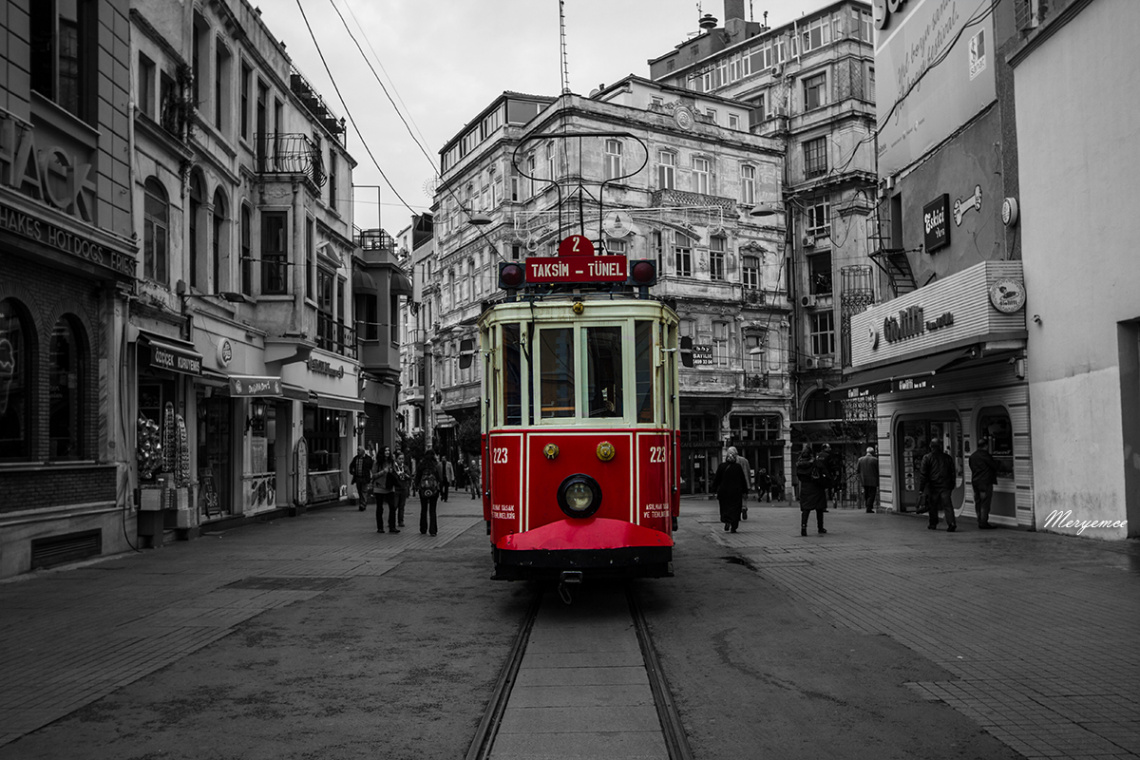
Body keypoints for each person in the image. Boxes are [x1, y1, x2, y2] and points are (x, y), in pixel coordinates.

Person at [918, 438, 957, 532]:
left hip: (933, 485)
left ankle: (933, 523)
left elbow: (923, 474)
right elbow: (952, 472)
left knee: (933, 505)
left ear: (931, 447)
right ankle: (951, 523)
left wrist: (921, 488)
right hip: (946, 485)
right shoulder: (947, 457)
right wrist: (952, 484)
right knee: (948, 505)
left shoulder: (927, 458)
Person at [796, 445, 832, 536]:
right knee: (819, 508)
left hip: (805, 488)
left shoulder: (799, 464)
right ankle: (820, 527)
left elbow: (799, 476)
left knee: (806, 509)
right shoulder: (815, 463)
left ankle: (803, 528)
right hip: (816, 487)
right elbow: (824, 472)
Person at [711, 447, 748, 533]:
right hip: (736, 492)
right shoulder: (738, 467)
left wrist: (714, 489)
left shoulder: (721, 466)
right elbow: (743, 480)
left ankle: (727, 521)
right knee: (735, 509)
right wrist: (745, 491)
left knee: (725, 508)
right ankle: (734, 526)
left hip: (724, 492)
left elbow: (717, 479)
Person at [969, 439, 1000, 529]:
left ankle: (979, 519)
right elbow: (994, 466)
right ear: (986, 446)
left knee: (978, 501)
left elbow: (971, 467)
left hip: (975, 481)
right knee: (985, 502)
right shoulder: (986, 456)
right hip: (985, 482)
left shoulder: (972, 456)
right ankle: (983, 522)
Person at [416, 448, 444, 535]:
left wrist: (417, 487)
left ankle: (423, 528)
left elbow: (417, 477)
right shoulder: (436, 465)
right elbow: (440, 478)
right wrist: (441, 489)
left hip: (423, 489)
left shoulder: (421, 465)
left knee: (423, 509)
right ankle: (433, 530)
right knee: (433, 510)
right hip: (434, 490)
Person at [371, 446, 399, 534]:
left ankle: (392, 526)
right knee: (380, 508)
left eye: (388, 450)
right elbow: (374, 475)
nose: (387, 452)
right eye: (385, 450)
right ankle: (380, 527)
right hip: (379, 487)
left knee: (393, 507)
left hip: (389, 487)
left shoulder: (392, 462)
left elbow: (395, 472)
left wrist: (393, 472)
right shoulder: (377, 463)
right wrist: (384, 471)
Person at [348, 446, 373, 511]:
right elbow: (351, 465)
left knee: (364, 491)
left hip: (364, 478)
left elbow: (371, 467)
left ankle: (363, 504)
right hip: (358, 477)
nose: (358, 452)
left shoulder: (368, 459)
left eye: (359, 450)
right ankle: (361, 503)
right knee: (359, 491)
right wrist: (352, 471)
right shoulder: (356, 458)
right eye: (357, 450)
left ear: (363, 451)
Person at [391, 451, 411, 528]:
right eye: (399, 459)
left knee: (402, 506)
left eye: (402, 459)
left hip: (403, 488)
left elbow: (409, 477)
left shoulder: (405, 467)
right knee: (394, 505)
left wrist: (406, 476)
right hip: (396, 488)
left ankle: (401, 521)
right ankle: (392, 521)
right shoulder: (393, 467)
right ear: (396, 459)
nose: (401, 460)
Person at [857, 446, 880, 513]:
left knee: (866, 493)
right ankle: (869, 507)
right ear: (872, 452)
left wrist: (860, 477)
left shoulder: (860, 460)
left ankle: (867, 506)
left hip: (864, 480)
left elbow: (857, 470)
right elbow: (877, 470)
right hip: (873, 480)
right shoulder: (875, 460)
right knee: (872, 494)